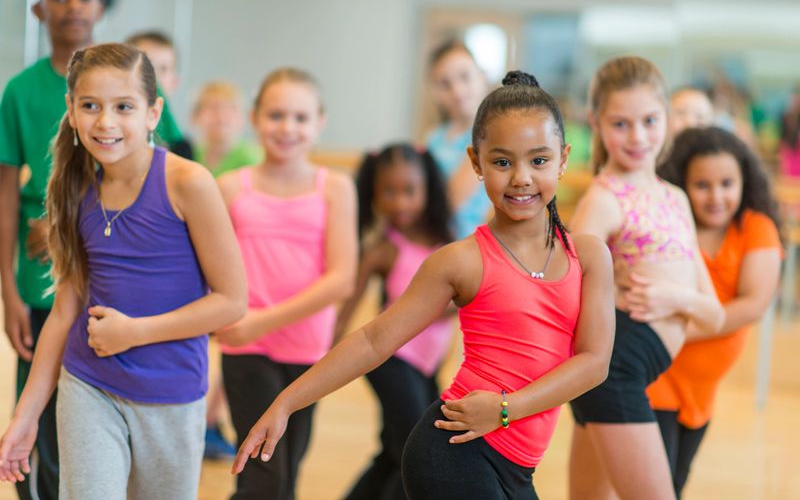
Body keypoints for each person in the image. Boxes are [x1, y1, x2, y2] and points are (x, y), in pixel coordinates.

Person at [232, 71, 615, 500]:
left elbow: (594, 363)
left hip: (514, 459)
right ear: (476, 163)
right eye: (502, 162)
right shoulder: (460, 261)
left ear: (563, 159)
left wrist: (507, 409)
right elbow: (374, 340)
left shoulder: (590, 256)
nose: (521, 177)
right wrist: (287, 402)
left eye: (538, 160)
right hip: (454, 451)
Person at [0, 43, 247, 499]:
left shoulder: (187, 183)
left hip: (172, 396)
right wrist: (25, 415)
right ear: (71, 111)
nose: (105, 121)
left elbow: (232, 302)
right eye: (90, 105)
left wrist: (135, 332)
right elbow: (63, 313)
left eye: (124, 107)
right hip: (88, 385)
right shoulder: (74, 191)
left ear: (153, 113)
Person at [567, 56, 725, 500]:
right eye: (621, 124)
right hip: (615, 369)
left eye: (649, 120)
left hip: (630, 369)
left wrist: (675, 297)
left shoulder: (675, 198)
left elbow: (712, 316)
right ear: (597, 123)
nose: (638, 137)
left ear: (667, 119)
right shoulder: (602, 199)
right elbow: (564, 291)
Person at [214, 68, 357, 500]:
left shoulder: (335, 187)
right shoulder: (228, 188)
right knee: (263, 474)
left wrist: (264, 321)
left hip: (308, 351)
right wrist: (242, 323)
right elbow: (211, 268)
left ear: (320, 122)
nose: (287, 128)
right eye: (276, 115)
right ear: (256, 118)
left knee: (288, 472)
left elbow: (341, 279)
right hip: (246, 347)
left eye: (300, 117)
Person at [0, 0, 104, 498]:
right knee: (37, 404)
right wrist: (9, 292)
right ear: (40, 10)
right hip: (38, 274)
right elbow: (3, 196)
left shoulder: (123, 82)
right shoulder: (19, 92)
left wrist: (72, 227)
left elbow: (165, 164)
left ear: (100, 8)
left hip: (108, 275)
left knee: (93, 408)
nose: (71, 5)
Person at [647, 127, 782, 497]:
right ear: (682, 185)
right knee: (655, 487)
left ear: (744, 181)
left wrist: (678, 331)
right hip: (656, 376)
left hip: (700, 390)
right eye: (702, 185)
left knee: (675, 481)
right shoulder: (672, 225)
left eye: (727, 183)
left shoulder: (755, 228)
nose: (716, 196)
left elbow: (752, 305)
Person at [335, 143, 455, 500]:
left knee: (393, 453)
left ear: (427, 190)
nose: (400, 202)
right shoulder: (383, 249)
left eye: (409, 192)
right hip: (391, 360)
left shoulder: (446, 244)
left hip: (427, 366)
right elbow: (345, 305)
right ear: (373, 192)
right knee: (416, 452)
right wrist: (321, 359)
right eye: (389, 192)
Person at [188, 79, 262, 460]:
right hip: (196, 260)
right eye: (211, 109)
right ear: (197, 117)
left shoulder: (249, 158)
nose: (219, 118)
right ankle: (203, 418)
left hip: (238, 260)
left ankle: (210, 418)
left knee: (232, 338)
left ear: (241, 119)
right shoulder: (191, 155)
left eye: (227, 110)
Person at [425, 40, 492, 239]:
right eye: (445, 84)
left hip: (474, 244)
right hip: (436, 237)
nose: (457, 91)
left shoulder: (491, 135)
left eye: (465, 77)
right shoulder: (434, 138)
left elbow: (452, 199)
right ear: (436, 92)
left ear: (481, 76)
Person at [126, 30, 193, 159]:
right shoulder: (112, 134)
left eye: (163, 69)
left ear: (174, 82)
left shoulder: (181, 147)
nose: (153, 76)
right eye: (145, 66)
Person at [192, 80, 262, 177]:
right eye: (213, 108)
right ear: (195, 116)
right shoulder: (191, 154)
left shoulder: (252, 158)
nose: (221, 117)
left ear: (243, 117)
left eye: (231, 108)